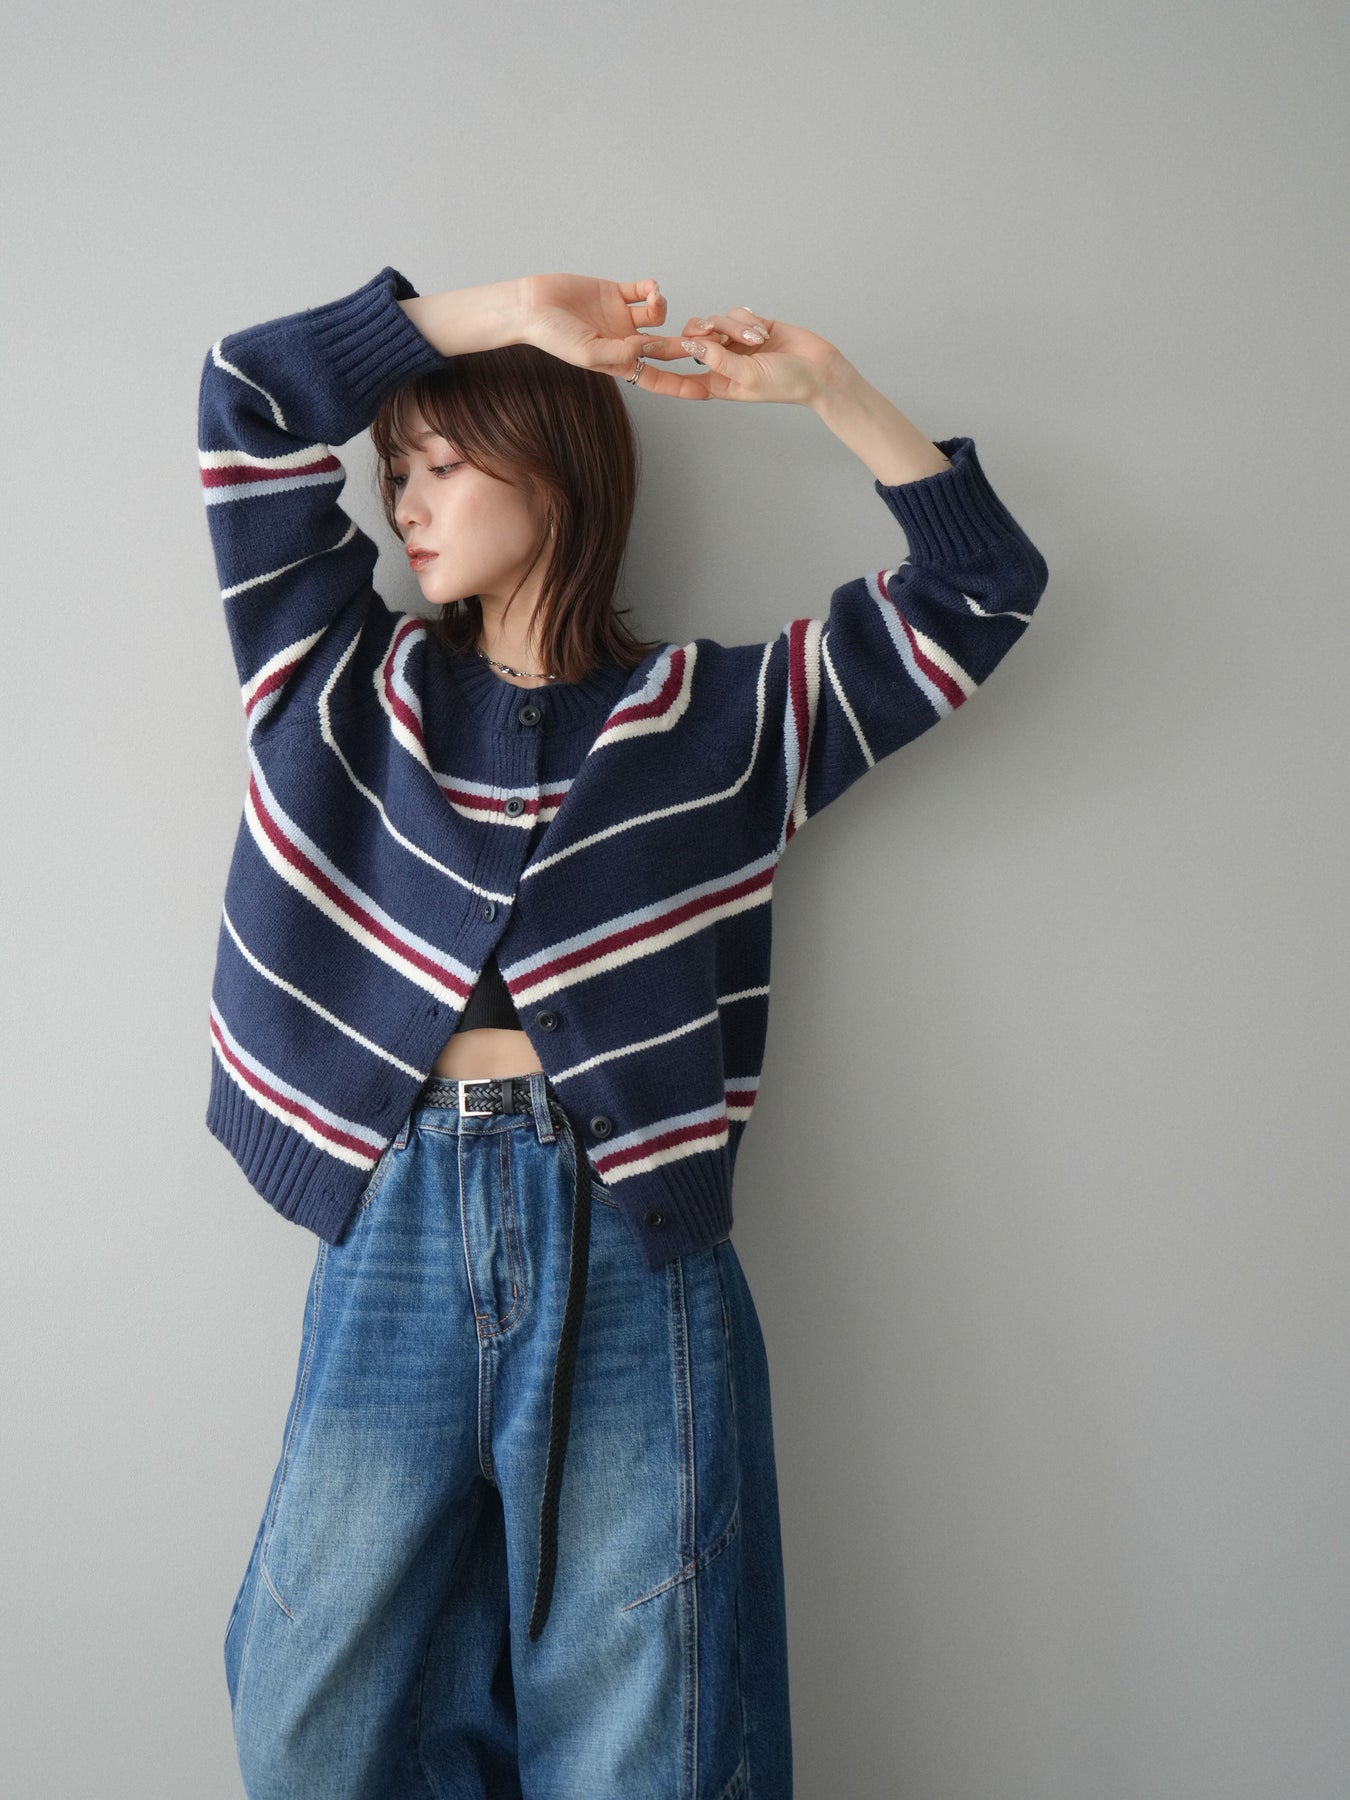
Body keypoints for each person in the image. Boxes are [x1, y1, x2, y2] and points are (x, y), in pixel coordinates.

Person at [201, 264, 1049, 1798]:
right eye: (396, 474)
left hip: (626, 1227)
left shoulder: (722, 722)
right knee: (314, 1708)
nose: (406, 506)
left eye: (443, 466)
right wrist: (502, 312)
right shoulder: (336, 675)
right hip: (390, 1213)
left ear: (555, 471)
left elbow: (978, 590)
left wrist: (828, 388)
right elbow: (248, 398)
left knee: (643, 1709)